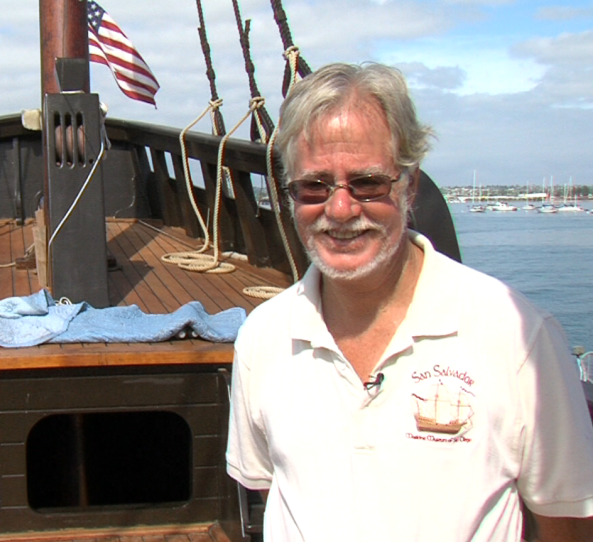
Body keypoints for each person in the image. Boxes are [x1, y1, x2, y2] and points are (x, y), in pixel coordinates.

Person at [225, 62, 593, 541]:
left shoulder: (517, 335)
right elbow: (273, 488)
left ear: (410, 184)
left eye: (368, 183)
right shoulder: (263, 336)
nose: (339, 209)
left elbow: (567, 521)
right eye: (314, 185)